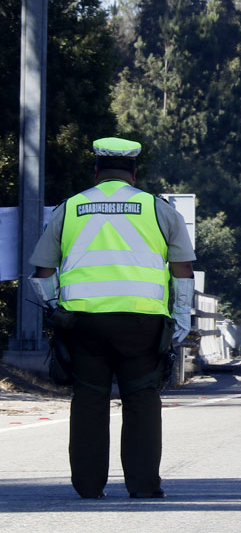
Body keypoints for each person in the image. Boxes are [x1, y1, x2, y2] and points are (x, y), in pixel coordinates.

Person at [28, 137, 196, 500]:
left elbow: (42, 272)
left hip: (83, 324)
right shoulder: (158, 209)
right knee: (142, 399)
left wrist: (56, 309)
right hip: (143, 323)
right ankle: (144, 485)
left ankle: (88, 486)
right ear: (134, 174)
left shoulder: (70, 207)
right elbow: (183, 269)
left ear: (95, 172)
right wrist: (181, 317)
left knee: (89, 398)